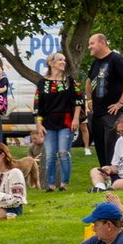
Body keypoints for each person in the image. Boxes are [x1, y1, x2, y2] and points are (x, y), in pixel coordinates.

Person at [34, 52, 80, 191]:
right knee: (50, 155)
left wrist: (76, 119)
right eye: (60, 60)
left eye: (64, 60)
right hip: (48, 122)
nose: (63, 62)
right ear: (51, 63)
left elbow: (78, 101)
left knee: (63, 153)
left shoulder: (70, 81)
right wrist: (39, 124)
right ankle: (51, 184)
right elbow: (38, 106)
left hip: (66, 121)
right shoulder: (42, 83)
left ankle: (64, 184)